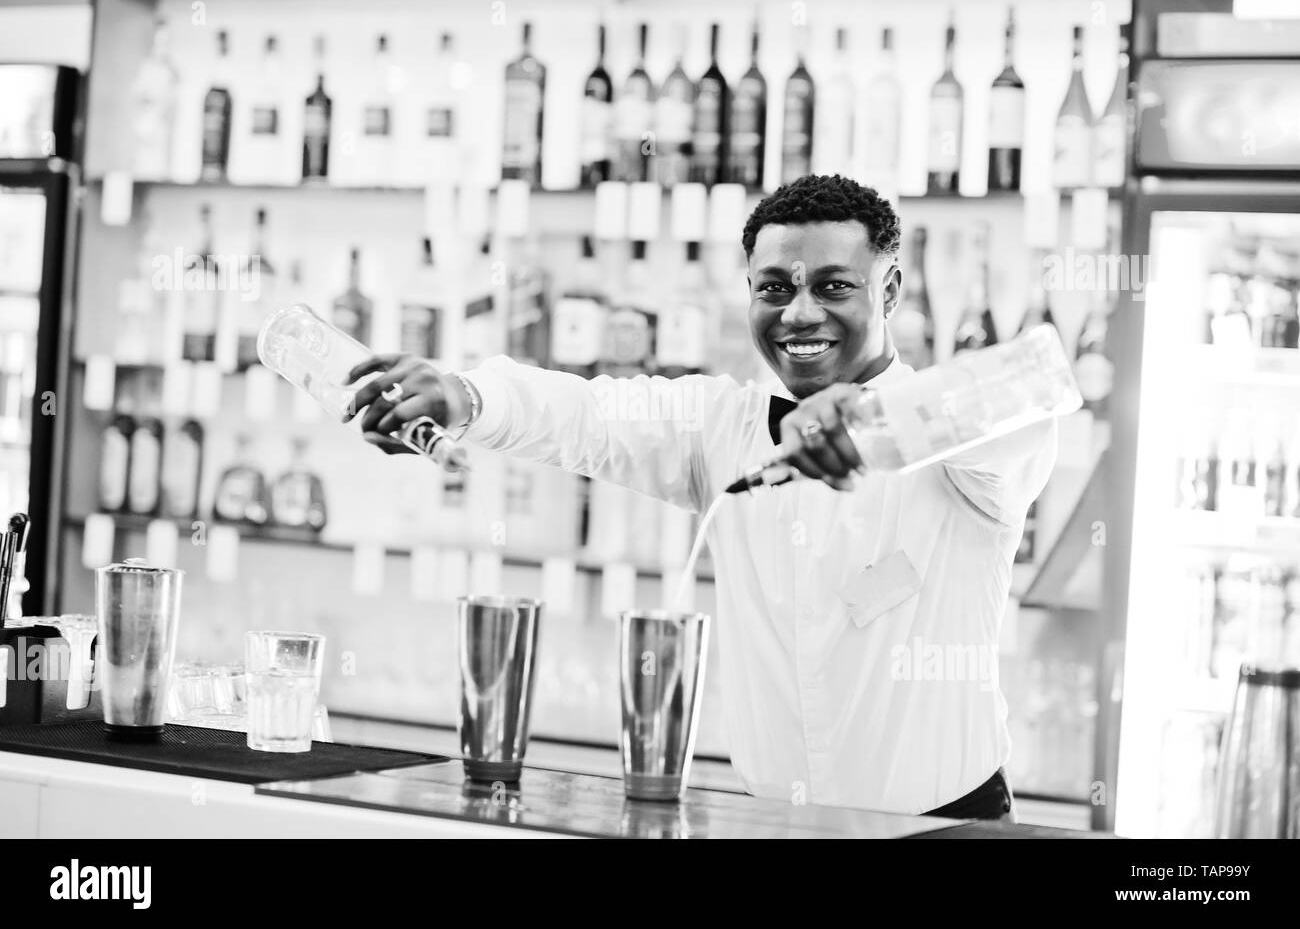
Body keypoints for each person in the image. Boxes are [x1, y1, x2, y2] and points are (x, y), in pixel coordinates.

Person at [346, 174, 1055, 820]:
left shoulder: (965, 447)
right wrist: (468, 395)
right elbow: (585, 414)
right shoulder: (721, 426)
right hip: (768, 822)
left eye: (834, 286)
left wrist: (875, 424)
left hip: (950, 824)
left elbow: (1031, 396)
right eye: (774, 287)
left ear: (891, 290)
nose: (800, 314)